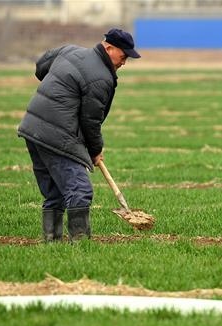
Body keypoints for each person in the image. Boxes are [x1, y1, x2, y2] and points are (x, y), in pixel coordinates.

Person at [18, 28, 140, 242]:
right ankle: (81, 244)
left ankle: (51, 242)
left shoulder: (69, 51)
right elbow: (90, 121)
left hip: (32, 128)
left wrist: (60, 87)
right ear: (109, 47)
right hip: (57, 134)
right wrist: (95, 150)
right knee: (80, 190)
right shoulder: (101, 77)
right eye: (123, 56)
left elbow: (40, 68)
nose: (124, 62)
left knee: (55, 193)